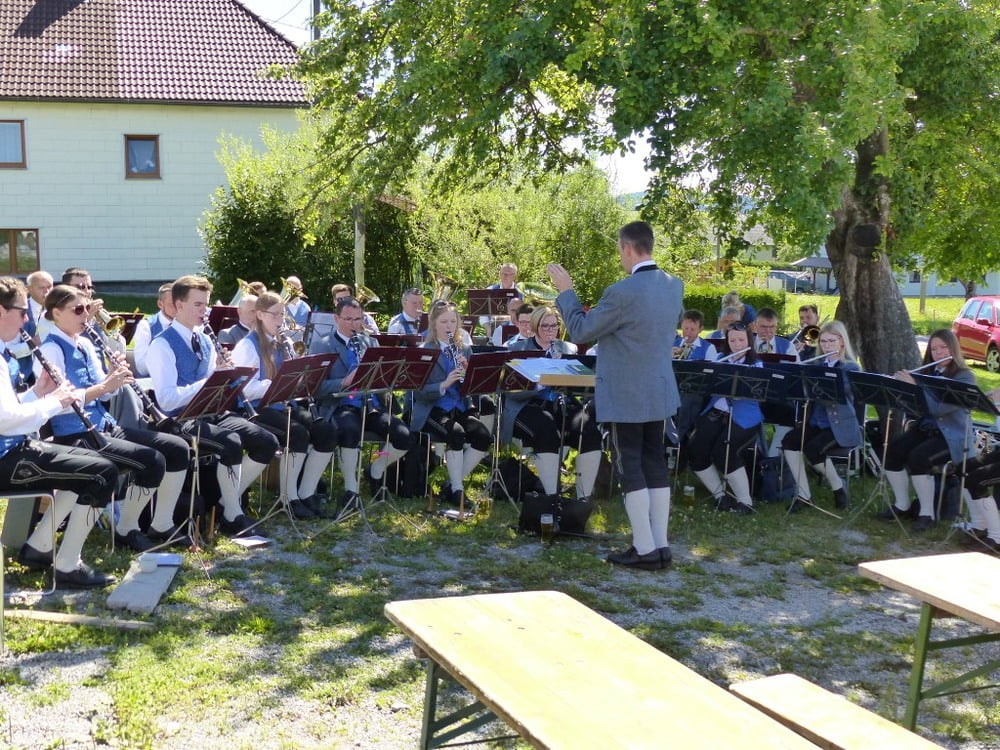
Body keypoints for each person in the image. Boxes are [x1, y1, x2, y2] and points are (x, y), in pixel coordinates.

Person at [547, 221, 682, 570]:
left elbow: (580, 331)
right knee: (655, 464)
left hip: (627, 393)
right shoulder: (674, 285)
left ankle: (644, 548)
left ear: (626, 248)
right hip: (659, 389)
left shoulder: (621, 292)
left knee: (630, 465)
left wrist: (566, 292)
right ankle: (661, 545)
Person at [37, 284, 193, 551]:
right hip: (76, 433)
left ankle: (162, 523)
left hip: (104, 426)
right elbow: (57, 404)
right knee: (152, 461)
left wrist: (113, 374)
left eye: (87, 308)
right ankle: (127, 528)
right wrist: (104, 387)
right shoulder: (51, 349)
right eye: (78, 309)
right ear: (57, 312)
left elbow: (107, 393)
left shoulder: (85, 343)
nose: (86, 314)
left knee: (177, 448)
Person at [0, 276, 120, 588]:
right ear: (1, 311)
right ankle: (67, 566)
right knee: (102, 473)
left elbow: (10, 410)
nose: (26, 320)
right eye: (22, 312)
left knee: (85, 464)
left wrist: (38, 392)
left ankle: (38, 548)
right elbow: (6, 422)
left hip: (12, 448)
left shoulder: (3, 353)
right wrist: (56, 402)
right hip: (5, 457)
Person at [147, 275, 280, 537]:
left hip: (210, 412)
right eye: (198, 305)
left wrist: (226, 375)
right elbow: (167, 399)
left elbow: (213, 385)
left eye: (206, 304)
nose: (205, 311)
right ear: (179, 305)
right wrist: (210, 381)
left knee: (266, 441)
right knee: (231, 443)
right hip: (180, 419)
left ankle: (224, 501)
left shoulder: (205, 339)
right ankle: (232, 515)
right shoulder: (161, 344)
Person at [231, 292, 339, 519]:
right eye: (275, 315)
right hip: (255, 408)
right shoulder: (247, 345)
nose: (280, 320)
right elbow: (245, 389)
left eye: (282, 315)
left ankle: (306, 493)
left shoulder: (282, 342)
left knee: (326, 431)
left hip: (282, 404)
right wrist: (278, 384)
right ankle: (288, 498)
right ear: (260, 315)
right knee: (297, 434)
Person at [309, 296, 410, 518]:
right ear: (336, 318)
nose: (354, 324)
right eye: (348, 319)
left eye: (358, 319)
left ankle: (375, 468)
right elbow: (315, 388)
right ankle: (351, 489)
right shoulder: (322, 344)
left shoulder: (370, 343)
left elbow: (384, 379)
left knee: (402, 436)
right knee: (349, 431)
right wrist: (345, 381)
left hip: (372, 405)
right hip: (341, 405)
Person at [500, 306, 603, 505]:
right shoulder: (518, 350)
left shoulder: (568, 349)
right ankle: (551, 497)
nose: (550, 330)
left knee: (589, 431)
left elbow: (578, 386)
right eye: (545, 326)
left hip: (560, 402)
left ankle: (583, 497)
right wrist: (541, 383)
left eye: (554, 326)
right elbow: (511, 391)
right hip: (527, 404)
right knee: (546, 429)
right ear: (535, 327)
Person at [879, 329, 976, 531]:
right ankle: (902, 504)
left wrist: (916, 387)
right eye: (934, 349)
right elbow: (916, 409)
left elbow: (939, 409)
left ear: (953, 348)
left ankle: (927, 514)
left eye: (943, 347)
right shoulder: (927, 373)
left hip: (952, 436)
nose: (939, 353)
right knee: (892, 451)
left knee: (919, 457)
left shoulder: (964, 377)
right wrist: (901, 389)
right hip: (927, 429)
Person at [408, 302, 491, 508]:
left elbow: (472, 389)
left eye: (453, 322)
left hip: (459, 406)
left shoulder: (464, 349)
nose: (449, 326)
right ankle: (458, 490)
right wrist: (444, 384)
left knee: (483, 436)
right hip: (432, 409)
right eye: (444, 321)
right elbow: (418, 392)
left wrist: (468, 373)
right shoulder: (425, 351)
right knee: (456, 433)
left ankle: (451, 484)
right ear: (434, 324)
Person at [781, 321, 862, 513]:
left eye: (832, 341)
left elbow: (839, 393)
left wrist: (817, 379)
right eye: (823, 342)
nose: (827, 346)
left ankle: (838, 486)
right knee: (789, 441)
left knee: (813, 448)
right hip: (817, 422)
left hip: (840, 425)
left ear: (842, 342)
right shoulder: (816, 364)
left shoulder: (851, 367)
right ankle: (803, 495)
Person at [687, 323, 762, 516]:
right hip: (717, 412)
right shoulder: (720, 359)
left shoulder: (756, 364)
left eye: (741, 340)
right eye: (732, 340)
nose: (737, 344)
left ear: (749, 341)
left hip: (744, 417)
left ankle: (745, 502)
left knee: (724, 451)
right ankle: (721, 496)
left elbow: (755, 392)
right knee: (696, 449)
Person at [670, 310, 716, 449]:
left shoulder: (708, 348)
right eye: (685, 328)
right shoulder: (672, 344)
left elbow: (711, 376)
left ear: (700, 329)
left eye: (692, 329)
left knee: (686, 402)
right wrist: (668, 357)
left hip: (695, 391)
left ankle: (677, 443)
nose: (688, 333)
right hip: (672, 388)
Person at [132, 283, 175, 377]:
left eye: (180, 303)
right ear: (160, 304)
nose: (177, 308)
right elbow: (142, 368)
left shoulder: (186, 324)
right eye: (172, 304)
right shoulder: (146, 326)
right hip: (152, 382)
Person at [24, 270, 53, 342]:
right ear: (29, 289)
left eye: (49, 287)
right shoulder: (20, 310)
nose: (47, 291)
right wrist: (33, 343)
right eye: (41, 288)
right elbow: (9, 346)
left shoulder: (60, 309)